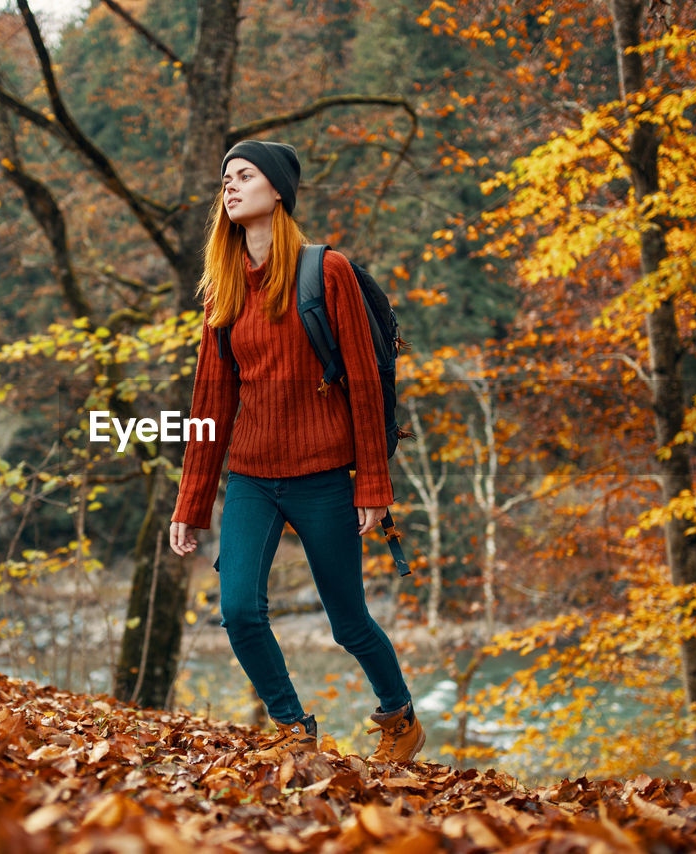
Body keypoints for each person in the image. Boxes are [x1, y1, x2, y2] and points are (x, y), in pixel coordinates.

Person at [168, 139, 424, 764]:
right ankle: (292, 727)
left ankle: (399, 719)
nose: (229, 187)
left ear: (277, 190)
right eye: (224, 177)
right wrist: (191, 502)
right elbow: (210, 403)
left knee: (348, 622)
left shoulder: (325, 272)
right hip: (253, 476)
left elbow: (365, 384)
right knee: (238, 612)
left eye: (244, 176)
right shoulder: (222, 291)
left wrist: (373, 485)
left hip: (325, 478)